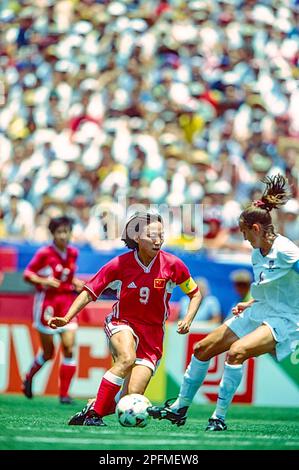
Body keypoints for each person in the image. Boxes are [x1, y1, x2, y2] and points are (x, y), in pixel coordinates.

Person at [147, 174, 299, 431]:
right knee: (202, 349)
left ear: (256, 229)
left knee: (236, 352)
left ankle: (218, 418)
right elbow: (271, 287)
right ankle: (179, 408)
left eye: (244, 232)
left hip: (286, 319)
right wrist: (250, 304)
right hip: (261, 310)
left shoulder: (286, 250)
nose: (243, 238)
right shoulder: (255, 252)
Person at [48, 211, 202, 426]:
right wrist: (66, 317)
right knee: (126, 358)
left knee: (129, 400)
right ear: (137, 238)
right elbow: (89, 291)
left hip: (153, 336)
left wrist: (188, 318)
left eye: (161, 235)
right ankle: (95, 417)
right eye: (152, 235)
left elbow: (195, 293)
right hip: (122, 323)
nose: (158, 240)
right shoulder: (119, 264)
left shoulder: (173, 265)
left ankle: (93, 407)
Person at [22, 216, 84, 404]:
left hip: (67, 303)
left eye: (66, 232)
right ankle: (29, 377)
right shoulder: (44, 253)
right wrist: (44, 281)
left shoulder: (73, 253)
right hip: (47, 303)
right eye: (60, 232)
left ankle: (64, 395)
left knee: (69, 348)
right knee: (48, 353)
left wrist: (75, 282)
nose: (64, 236)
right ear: (53, 234)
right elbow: (27, 274)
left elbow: (67, 275)